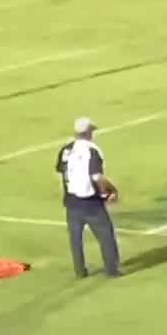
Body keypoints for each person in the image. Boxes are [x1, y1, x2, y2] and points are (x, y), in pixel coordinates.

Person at [55, 116, 121, 279]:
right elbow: (97, 177)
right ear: (89, 132)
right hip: (91, 203)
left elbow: (61, 172)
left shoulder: (66, 149)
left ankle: (79, 271)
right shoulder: (92, 150)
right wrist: (110, 191)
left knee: (75, 239)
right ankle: (111, 269)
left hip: (71, 202)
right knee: (106, 236)